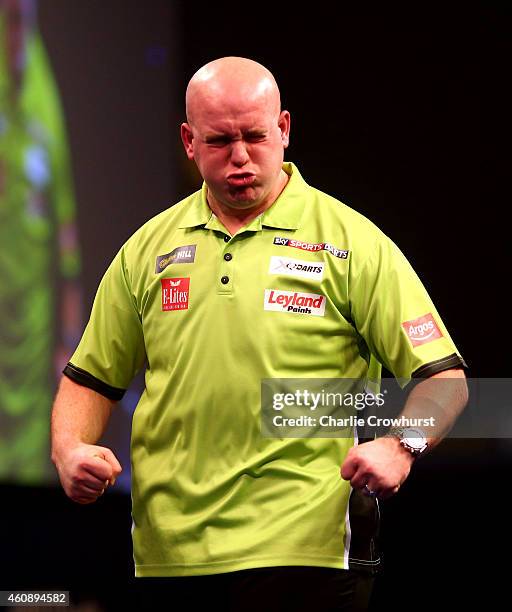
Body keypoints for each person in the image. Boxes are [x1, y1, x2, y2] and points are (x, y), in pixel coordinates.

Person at [51, 56, 468, 611]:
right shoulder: (147, 250)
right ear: (188, 141)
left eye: (256, 135)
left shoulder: (351, 242)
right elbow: (91, 379)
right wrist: (69, 449)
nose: (241, 157)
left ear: (285, 129)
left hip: (306, 548)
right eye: (220, 140)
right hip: (169, 552)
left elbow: (447, 380)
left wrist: (402, 445)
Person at [0, 0, 81, 483]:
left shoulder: (44, 116)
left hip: (31, 340)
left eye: (22, 22)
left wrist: (68, 344)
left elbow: (66, 246)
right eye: (7, 21)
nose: (14, 37)